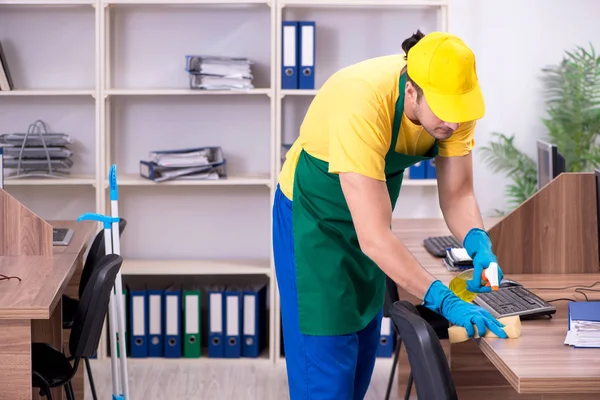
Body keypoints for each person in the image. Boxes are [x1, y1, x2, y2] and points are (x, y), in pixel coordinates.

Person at [272, 30, 508, 400]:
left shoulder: (455, 109)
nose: (455, 125)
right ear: (412, 92)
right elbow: (376, 238)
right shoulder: (362, 102)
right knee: (326, 367)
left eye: (463, 114)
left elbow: (458, 192)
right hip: (313, 221)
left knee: (362, 352)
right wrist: (444, 301)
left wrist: (478, 243)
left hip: (370, 219)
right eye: (447, 114)